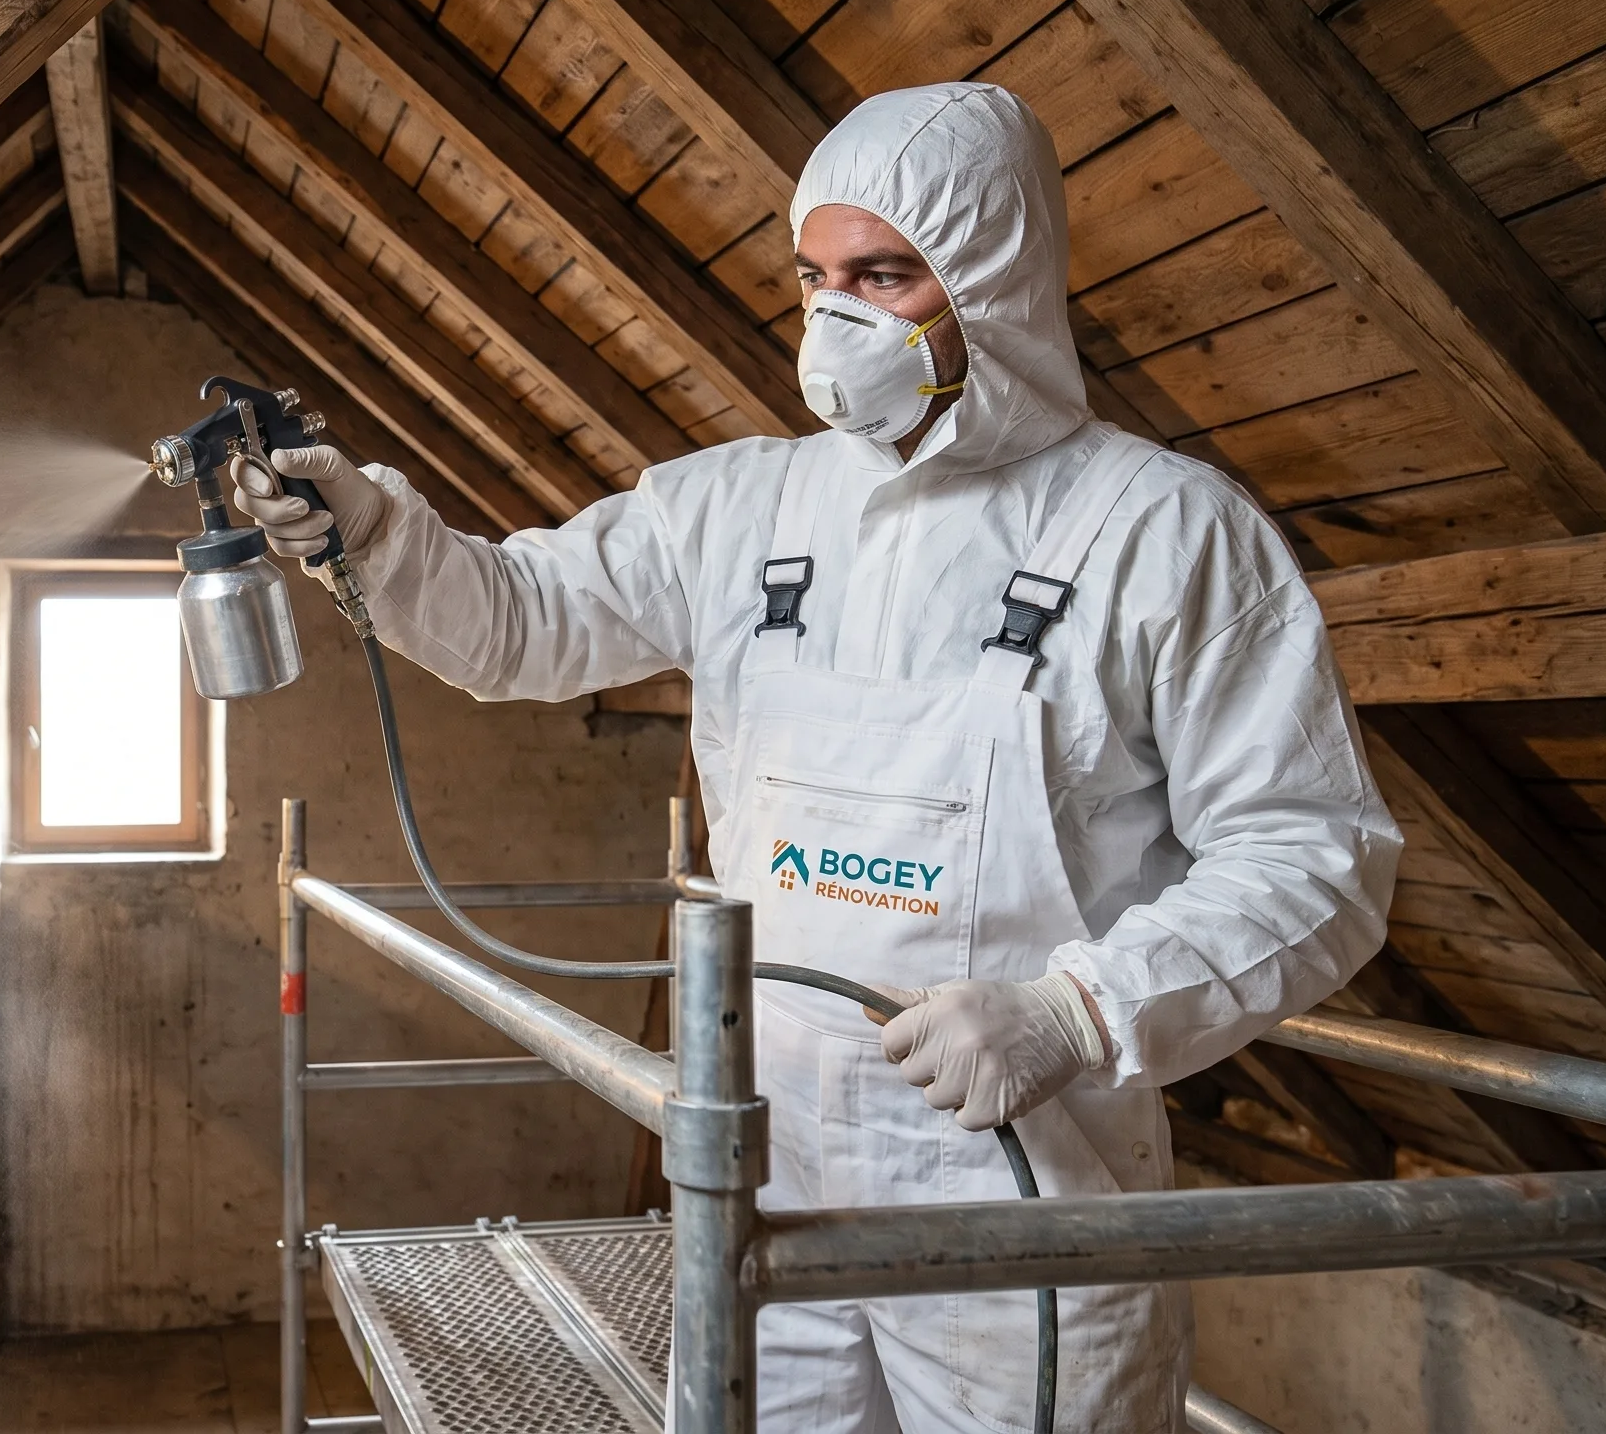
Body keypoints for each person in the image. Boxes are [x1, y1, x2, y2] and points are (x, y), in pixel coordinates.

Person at [231, 82, 1400, 1432]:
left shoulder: (1163, 533)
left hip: (1020, 1208)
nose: (836, 315)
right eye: (815, 277)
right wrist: (378, 533)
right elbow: (521, 623)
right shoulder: (743, 507)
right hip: (764, 1172)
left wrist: (1078, 1010)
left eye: (885, 275)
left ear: (995, 282)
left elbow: (1315, 856)